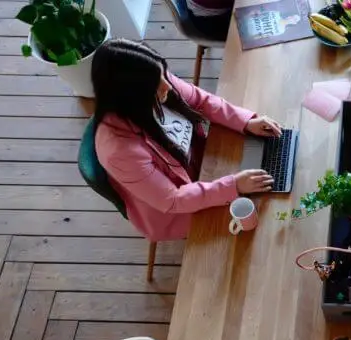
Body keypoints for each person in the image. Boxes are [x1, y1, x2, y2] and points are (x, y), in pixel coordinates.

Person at [92, 39, 283, 241]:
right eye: (157, 86)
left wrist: (245, 121)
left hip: (204, 166)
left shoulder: (153, 80)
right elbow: (173, 200)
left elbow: (201, 101)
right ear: (131, 97)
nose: (168, 85)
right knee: (264, 224)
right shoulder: (119, 151)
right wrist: (232, 186)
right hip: (175, 210)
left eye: (164, 74)